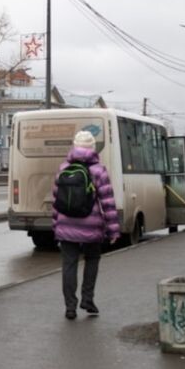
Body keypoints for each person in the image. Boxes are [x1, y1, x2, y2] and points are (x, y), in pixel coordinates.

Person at [51, 130, 120, 320]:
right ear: (92, 148)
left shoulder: (63, 168)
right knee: (92, 259)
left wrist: (55, 225)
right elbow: (108, 202)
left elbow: (56, 200)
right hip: (91, 226)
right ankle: (87, 299)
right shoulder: (99, 170)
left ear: (74, 146)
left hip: (66, 225)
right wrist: (113, 229)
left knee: (69, 264)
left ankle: (70, 307)